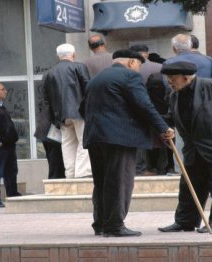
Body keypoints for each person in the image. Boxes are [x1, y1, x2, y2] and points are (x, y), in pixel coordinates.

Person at [81, 49, 175, 237]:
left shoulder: (96, 79)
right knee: (119, 181)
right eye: (139, 65)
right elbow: (144, 106)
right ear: (132, 62)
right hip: (119, 138)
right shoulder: (129, 77)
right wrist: (163, 128)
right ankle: (114, 226)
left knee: (102, 182)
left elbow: (82, 108)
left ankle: (101, 223)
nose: (139, 70)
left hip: (95, 136)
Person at [158, 61, 212, 233]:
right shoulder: (174, 94)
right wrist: (166, 128)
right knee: (189, 186)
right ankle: (185, 221)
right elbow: (171, 116)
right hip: (193, 148)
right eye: (168, 78)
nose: (169, 81)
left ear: (186, 77)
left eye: (173, 78)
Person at [42, 43, 91, 179]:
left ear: (58, 56)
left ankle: (69, 174)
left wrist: (54, 118)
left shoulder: (49, 73)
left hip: (61, 115)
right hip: (80, 113)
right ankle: (82, 173)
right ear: (73, 54)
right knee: (84, 141)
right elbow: (88, 89)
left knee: (68, 143)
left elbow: (46, 99)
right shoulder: (79, 67)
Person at [129, 44, 163, 176]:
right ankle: (161, 167)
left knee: (139, 137)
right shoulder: (159, 67)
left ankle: (141, 167)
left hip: (134, 109)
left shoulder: (130, 70)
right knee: (159, 138)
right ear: (147, 54)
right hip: (157, 108)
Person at [34, 80, 65, 179]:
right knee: (56, 161)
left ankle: (55, 180)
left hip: (47, 132)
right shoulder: (53, 97)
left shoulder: (45, 97)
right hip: (52, 132)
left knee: (54, 160)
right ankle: (55, 182)